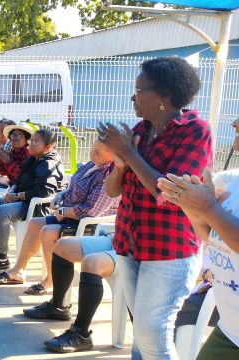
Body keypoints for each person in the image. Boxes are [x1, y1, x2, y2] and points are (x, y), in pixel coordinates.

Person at [97, 56, 213, 359]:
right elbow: (111, 191)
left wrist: (129, 154)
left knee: (152, 333)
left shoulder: (195, 131)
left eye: (139, 90)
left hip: (169, 251)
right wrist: (121, 165)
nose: (132, 97)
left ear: (164, 96)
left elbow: (170, 195)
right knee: (143, 334)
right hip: (129, 244)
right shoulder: (139, 130)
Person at [156, 117, 239, 359]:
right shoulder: (229, 181)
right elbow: (214, 238)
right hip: (231, 332)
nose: (234, 123)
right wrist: (192, 208)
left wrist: (208, 208)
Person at [0, 140, 119, 294]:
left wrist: (63, 211)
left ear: (113, 156)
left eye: (97, 152)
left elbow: (92, 210)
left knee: (48, 231)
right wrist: (61, 196)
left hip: (89, 224)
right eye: (92, 149)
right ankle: (19, 270)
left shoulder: (109, 175)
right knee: (34, 224)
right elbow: (72, 187)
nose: (92, 153)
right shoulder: (91, 165)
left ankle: (51, 280)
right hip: (71, 217)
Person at [0, 128, 65, 271]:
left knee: (1, 211)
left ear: (48, 147)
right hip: (21, 199)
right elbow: (18, 180)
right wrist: (11, 192)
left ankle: (2, 257)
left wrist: (17, 196)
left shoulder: (49, 163)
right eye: (32, 140)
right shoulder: (32, 159)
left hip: (35, 205)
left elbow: (43, 191)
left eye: (36, 142)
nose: (31, 144)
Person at [22, 234, 119, 353]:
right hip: (118, 238)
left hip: (137, 249)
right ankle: (58, 307)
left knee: (91, 263)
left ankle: (81, 334)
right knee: (62, 245)